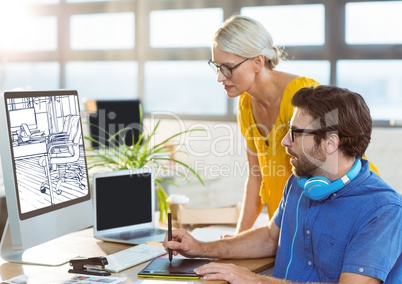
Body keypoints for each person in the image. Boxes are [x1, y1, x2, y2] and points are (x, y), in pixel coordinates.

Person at [164, 85, 402, 283]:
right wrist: (202, 248)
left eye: (296, 133)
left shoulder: (383, 210)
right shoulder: (300, 183)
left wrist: (255, 280)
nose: (286, 141)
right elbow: (269, 238)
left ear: (330, 143)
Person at [209, 14, 379, 233]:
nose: (220, 77)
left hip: (348, 216)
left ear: (258, 62)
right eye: (217, 67)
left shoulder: (300, 97)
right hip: (289, 226)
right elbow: (256, 177)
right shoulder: (245, 105)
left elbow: (330, 171)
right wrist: (238, 238)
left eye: (228, 67)